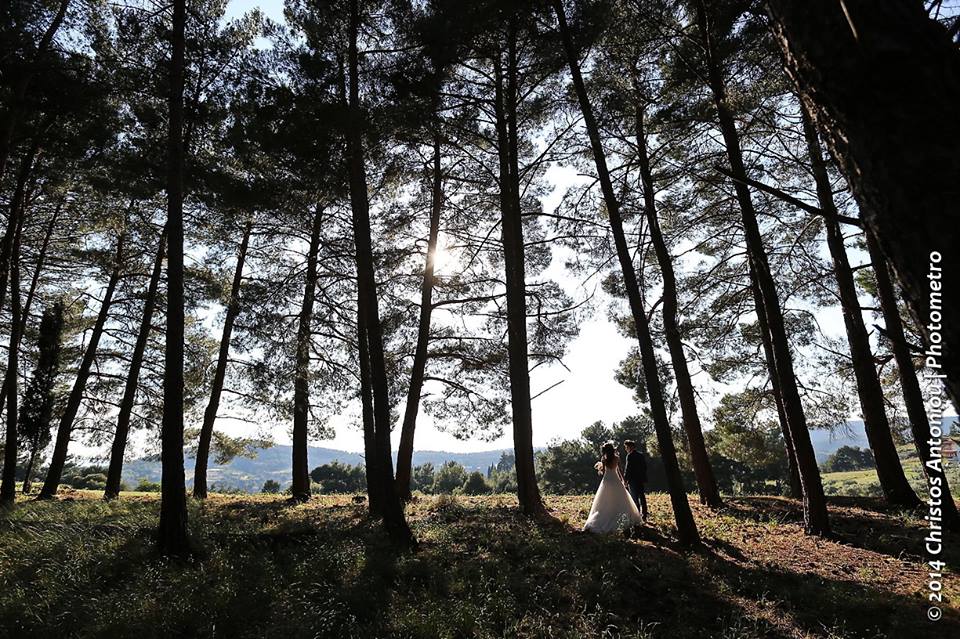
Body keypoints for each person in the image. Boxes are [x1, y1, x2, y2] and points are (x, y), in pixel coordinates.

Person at [582, 441, 642, 533]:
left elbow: (603, 472)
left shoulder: (604, 459)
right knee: (620, 499)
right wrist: (623, 480)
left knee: (605, 500)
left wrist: (600, 468)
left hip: (606, 480)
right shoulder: (617, 458)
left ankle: (606, 516)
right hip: (615, 479)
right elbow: (619, 470)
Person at [622, 440, 648, 522]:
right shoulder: (640, 455)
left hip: (633, 479)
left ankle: (637, 515)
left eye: (626, 447)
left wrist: (625, 479)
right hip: (640, 479)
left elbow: (628, 469)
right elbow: (644, 467)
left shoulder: (629, 456)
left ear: (630, 447)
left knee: (634, 497)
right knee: (642, 496)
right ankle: (644, 514)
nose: (626, 449)